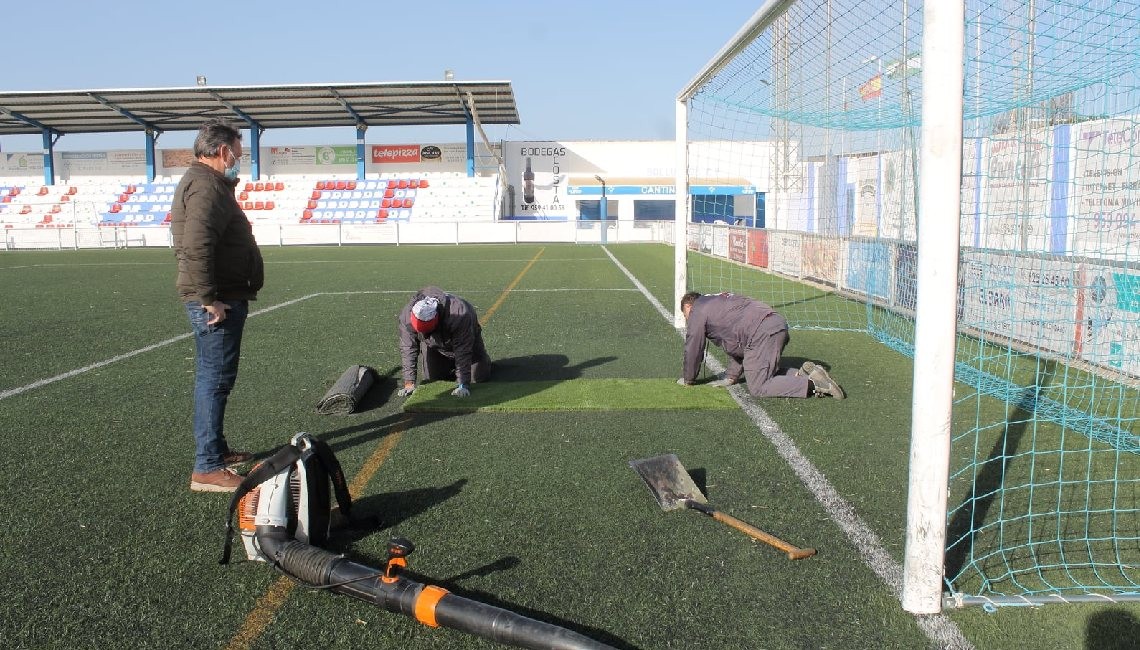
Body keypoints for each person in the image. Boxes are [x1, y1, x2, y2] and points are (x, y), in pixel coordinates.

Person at [171, 119, 264, 492]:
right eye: (237, 155)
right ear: (223, 151)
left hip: (223, 295)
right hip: (216, 301)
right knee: (214, 380)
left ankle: (217, 452)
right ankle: (207, 466)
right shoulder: (206, 187)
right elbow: (196, 246)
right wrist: (209, 299)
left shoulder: (209, 184)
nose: (238, 161)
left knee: (217, 379)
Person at [678, 291, 844, 399]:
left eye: (686, 316)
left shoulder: (697, 311)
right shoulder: (718, 300)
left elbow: (694, 346)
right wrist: (731, 375)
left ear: (688, 306)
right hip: (776, 324)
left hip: (761, 333)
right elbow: (738, 343)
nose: (688, 320)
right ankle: (805, 373)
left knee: (759, 386)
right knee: (761, 368)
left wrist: (688, 379)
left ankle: (815, 385)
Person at [396, 287, 492, 398]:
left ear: (436, 319)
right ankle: (448, 366)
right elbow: (408, 348)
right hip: (433, 344)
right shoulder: (406, 317)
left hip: (467, 342)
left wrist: (463, 384)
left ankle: (484, 361)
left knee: (479, 378)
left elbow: (463, 350)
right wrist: (409, 383)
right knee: (432, 380)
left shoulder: (459, 313)